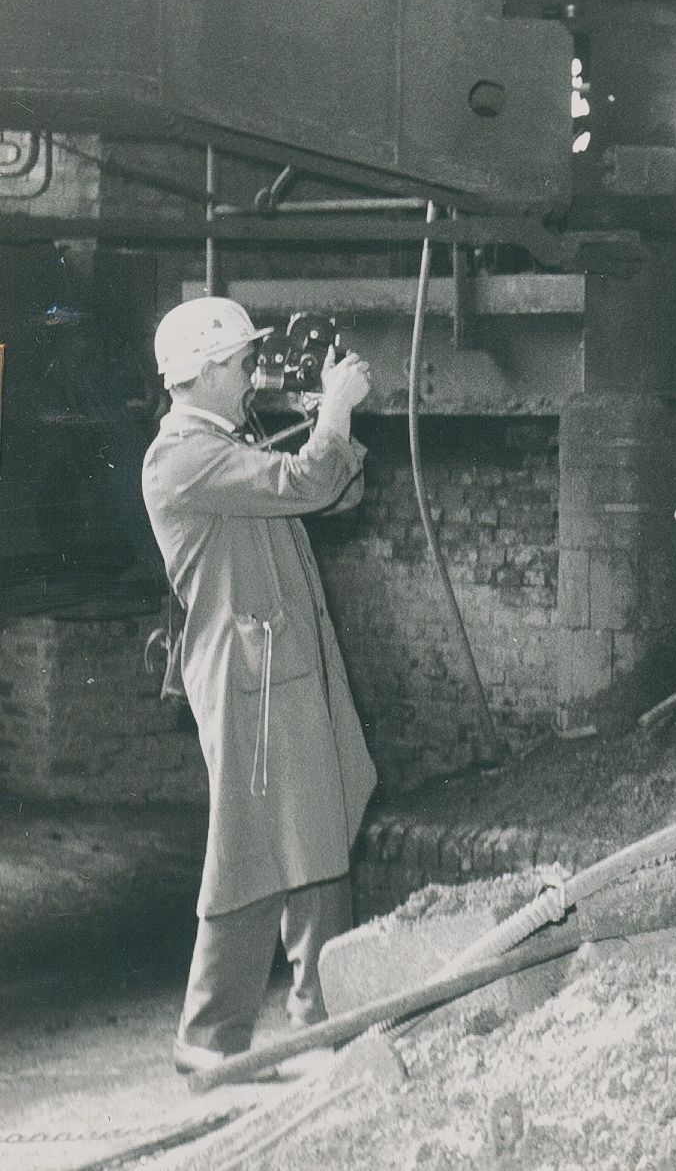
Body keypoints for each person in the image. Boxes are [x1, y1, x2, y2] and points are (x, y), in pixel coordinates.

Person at [141, 296, 377, 1074]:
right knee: (276, 843)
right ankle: (274, 1030)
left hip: (276, 666)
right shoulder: (180, 457)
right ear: (205, 372)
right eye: (242, 364)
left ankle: (241, 1034)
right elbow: (305, 482)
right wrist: (334, 418)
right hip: (252, 675)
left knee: (296, 832)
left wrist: (332, 441)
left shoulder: (221, 443)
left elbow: (325, 489)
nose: (252, 375)